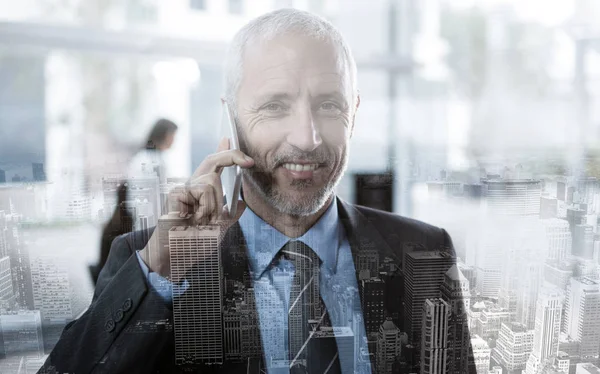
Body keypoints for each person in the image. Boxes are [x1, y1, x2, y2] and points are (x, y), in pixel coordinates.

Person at [41, 9, 473, 374]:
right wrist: (161, 273)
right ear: (231, 119)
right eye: (275, 106)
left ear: (353, 114)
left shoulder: (424, 251)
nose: (306, 139)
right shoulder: (153, 261)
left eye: (329, 105)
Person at [91, 119, 178, 285]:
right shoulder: (153, 162)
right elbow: (150, 203)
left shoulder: (143, 158)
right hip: (148, 229)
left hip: (144, 227)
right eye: (173, 136)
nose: (174, 141)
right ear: (165, 135)